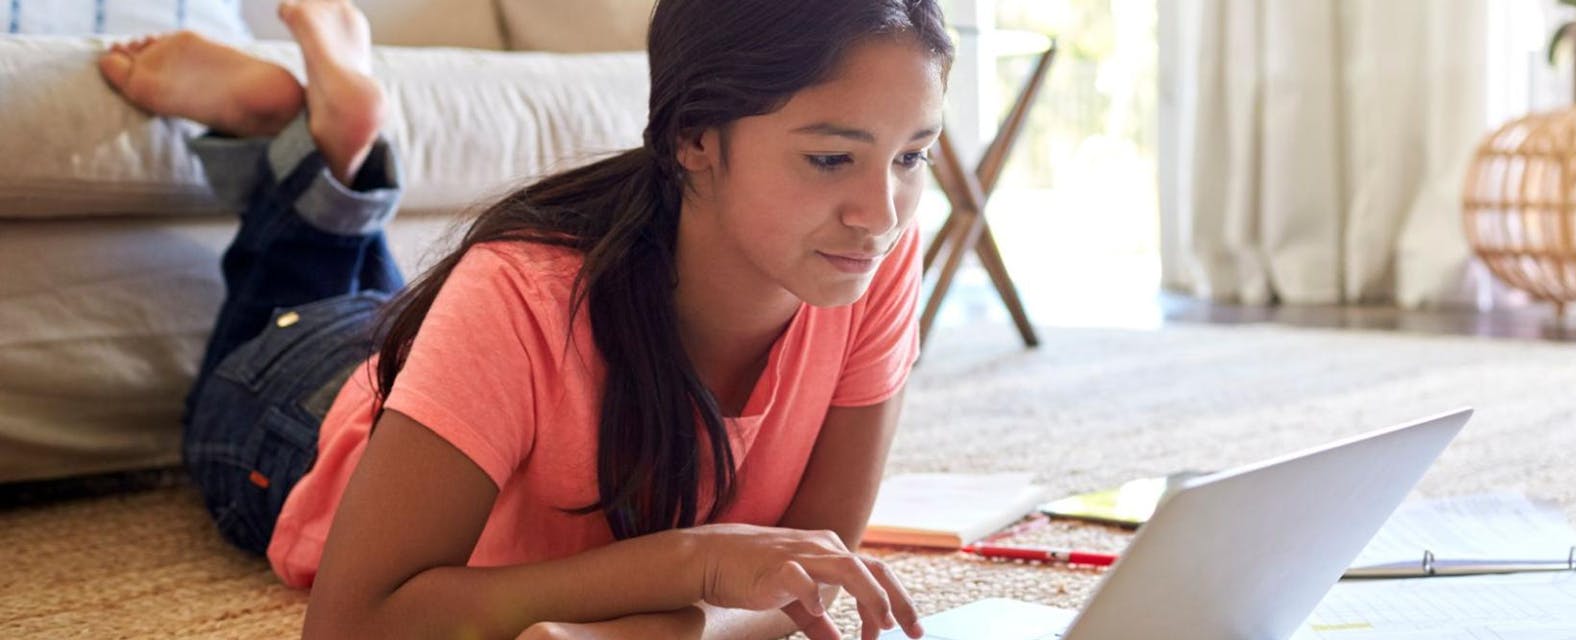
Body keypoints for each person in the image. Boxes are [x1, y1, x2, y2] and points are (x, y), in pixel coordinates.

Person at [98, 0, 949, 638]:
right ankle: (312, 141)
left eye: (912, 155)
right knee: (291, 316)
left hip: (444, 354)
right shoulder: (519, 291)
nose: (881, 211)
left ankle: (328, 140)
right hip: (296, 411)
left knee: (389, 301)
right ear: (694, 137)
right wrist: (692, 564)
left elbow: (813, 572)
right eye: (830, 157)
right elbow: (352, 623)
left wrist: (635, 625)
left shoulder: (870, 256)